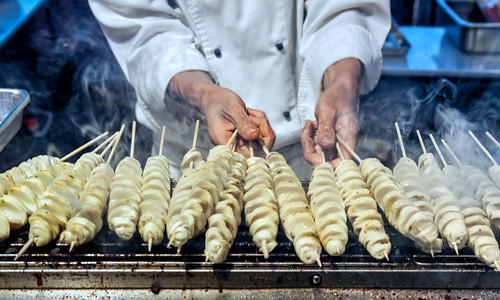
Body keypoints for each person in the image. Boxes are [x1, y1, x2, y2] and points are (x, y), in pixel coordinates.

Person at [88, 0, 391, 178]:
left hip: (305, 156)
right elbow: (143, 23)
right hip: (193, 158)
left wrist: (340, 84)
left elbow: (345, 7)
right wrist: (203, 94)